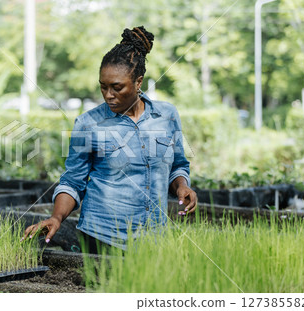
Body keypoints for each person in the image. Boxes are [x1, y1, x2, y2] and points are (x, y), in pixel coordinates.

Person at [23, 26, 197, 253]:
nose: (108, 95)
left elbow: (177, 165)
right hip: (102, 238)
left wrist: (182, 187)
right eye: (103, 87)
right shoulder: (89, 124)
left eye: (117, 87)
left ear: (138, 82)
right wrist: (57, 218)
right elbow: (73, 181)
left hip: (154, 239)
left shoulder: (166, 116)